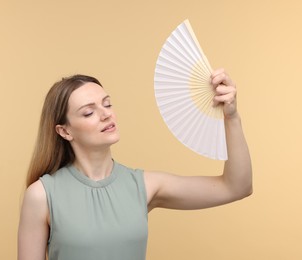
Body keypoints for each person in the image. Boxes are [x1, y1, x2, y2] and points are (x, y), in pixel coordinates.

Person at [17, 69, 252, 260]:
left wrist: (231, 117)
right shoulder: (42, 195)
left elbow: (237, 187)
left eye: (107, 105)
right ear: (65, 131)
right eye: (89, 112)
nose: (105, 114)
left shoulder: (144, 185)